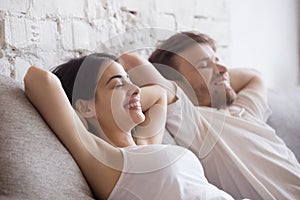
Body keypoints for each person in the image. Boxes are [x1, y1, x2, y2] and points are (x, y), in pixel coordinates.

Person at [24, 53, 235, 199]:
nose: (135, 88)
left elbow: (159, 94)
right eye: (118, 83)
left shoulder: (145, 142)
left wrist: (126, 97)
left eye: (129, 80)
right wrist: (77, 117)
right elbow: (38, 78)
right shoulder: (104, 161)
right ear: (85, 108)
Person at [146, 31, 300, 199]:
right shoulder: (196, 124)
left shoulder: (244, 111)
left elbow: (254, 77)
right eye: (204, 65)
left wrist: (219, 79)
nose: (224, 69)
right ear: (177, 84)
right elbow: (134, 65)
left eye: (217, 60)